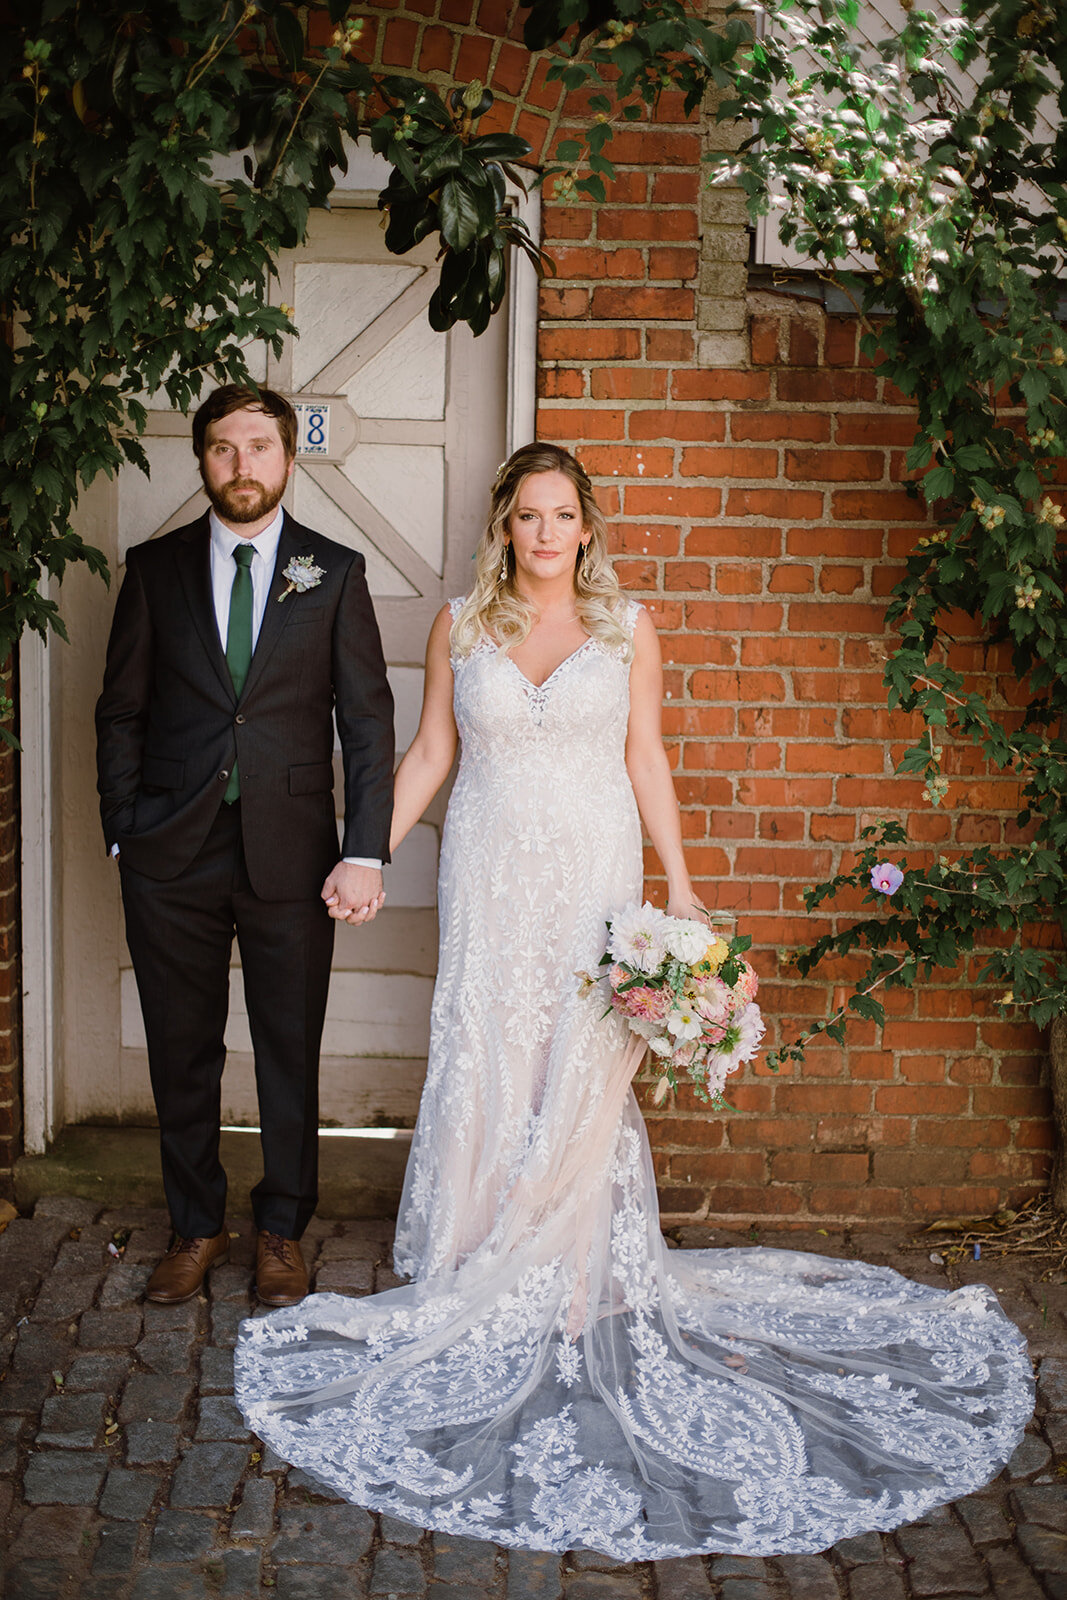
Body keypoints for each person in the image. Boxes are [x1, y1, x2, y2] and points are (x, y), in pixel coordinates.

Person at [234, 443, 1032, 1558]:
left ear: (586, 528)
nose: (546, 534)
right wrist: (365, 850)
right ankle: (481, 1248)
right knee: (490, 1044)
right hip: (490, 872)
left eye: (563, 516)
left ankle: (568, 1264)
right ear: (504, 527)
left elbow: (645, 758)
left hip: (591, 878)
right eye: (528, 516)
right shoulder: (461, 622)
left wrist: (686, 887)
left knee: (579, 1056)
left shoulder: (626, 628)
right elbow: (428, 751)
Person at [96, 385, 394, 1310]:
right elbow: (121, 711)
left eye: (259, 447)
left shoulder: (333, 571)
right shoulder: (154, 569)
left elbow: (369, 723)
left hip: (292, 853)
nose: (242, 465)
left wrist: (365, 850)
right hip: (170, 855)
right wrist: (122, 833)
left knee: (285, 1047)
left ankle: (280, 1228)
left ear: (287, 459)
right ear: (203, 462)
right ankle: (194, 1223)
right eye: (224, 449)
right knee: (180, 1047)